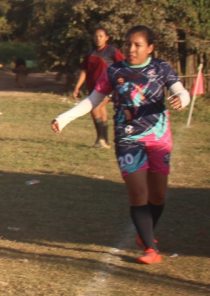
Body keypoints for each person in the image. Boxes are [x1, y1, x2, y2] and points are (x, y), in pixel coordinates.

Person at [52, 25, 190, 265]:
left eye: (137, 44)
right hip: (127, 138)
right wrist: (64, 118)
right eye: (128, 44)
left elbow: (181, 90)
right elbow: (93, 100)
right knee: (138, 192)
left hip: (158, 137)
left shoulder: (161, 68)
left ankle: (144, 233)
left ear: (150, 48)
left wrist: (182, 99)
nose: (131, 48)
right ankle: (150, 248)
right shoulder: (114, 71)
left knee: (157, 195)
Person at [72, 27, 125, 149]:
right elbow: (84, 71)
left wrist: (122, 79)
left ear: (107, 38)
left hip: (108, 87)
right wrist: (77, 87)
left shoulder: (112, 51)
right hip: (94, 88)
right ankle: (104, 141)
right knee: (101, 111)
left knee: (94, 108)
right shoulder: (90, 53)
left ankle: (100, 140)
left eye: (101, 36)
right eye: (96, 36)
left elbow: (124, 65)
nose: (98, 38)